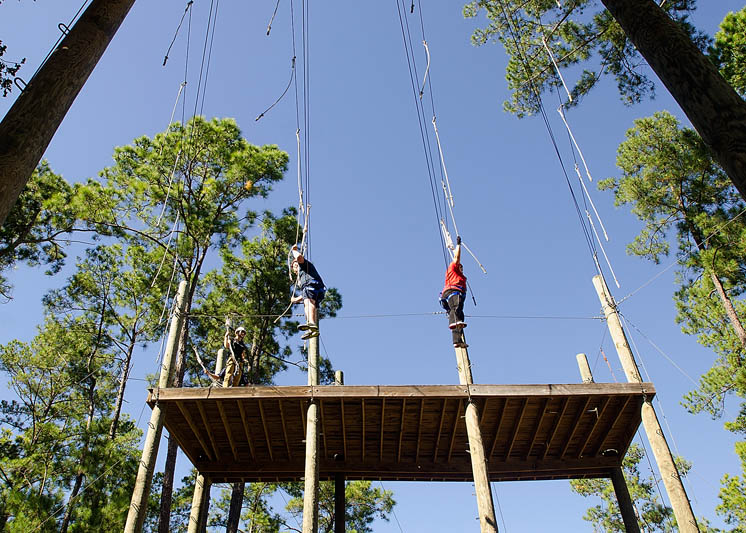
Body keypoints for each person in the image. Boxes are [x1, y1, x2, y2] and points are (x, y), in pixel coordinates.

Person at [290, 244, 326, 340]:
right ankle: (312, 329)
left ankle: (311, 323)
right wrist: (295, 300)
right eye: (294, 266)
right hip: (317, 289)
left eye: (296, 264)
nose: (296, 266)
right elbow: (304, 296)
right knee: (308, 302)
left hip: (312, 285)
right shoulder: (301, 278)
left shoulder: (304, 266)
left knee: (308, 302)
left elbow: (299, 257)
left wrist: (293, 250)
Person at [440, 236, 468, 348]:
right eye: (461, 267)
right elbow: (456, 257)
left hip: (454, 295)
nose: (461, 269)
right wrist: (458, 245)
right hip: (452, 292)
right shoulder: (453, 268)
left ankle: (457, 341)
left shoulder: (461, 276)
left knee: (459, 316)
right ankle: (453, 323)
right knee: (455, 309)